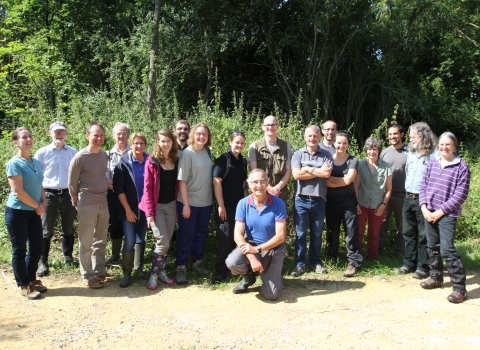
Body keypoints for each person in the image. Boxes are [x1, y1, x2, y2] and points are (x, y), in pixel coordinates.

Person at [419, 132, 470, 303]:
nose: (443, 147)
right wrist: (424, 208)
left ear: (454, 146)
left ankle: (460, 289)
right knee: (432, 246)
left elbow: (460, 196)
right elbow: (423, 186)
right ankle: (436, 278)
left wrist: (440, 212)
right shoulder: (433, 163)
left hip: (447, 214)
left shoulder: (461, 167)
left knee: (447, 250)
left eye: (447, 144)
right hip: (429, 212)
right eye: (441, 144)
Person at [225, 169, 287, 300]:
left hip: (273, 249)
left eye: (263, 181)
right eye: (255, 182)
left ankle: (272, 272)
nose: (259, 185)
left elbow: (281, 236)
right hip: (251, 245)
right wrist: (252, 257)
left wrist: (258, 249)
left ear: (268, 183)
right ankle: (249, 277)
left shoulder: (278, 203)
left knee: (272, 295)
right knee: (232, 262)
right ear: (249, 184)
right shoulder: (243, 203)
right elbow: (237, 234)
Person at [68, 122, 114, 289]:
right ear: (87, 136)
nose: (99, 138)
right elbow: (72, 183)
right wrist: (76, 201)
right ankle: (88, 275)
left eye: (101, 135)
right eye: (96, 135)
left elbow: (102, 176)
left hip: (103, 202)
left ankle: (99, 270)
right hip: (87, 203)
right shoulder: (80, 157)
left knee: (100, 239)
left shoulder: (103, 155)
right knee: (86, 241)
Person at [5, 127, 47, 299]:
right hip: (17, 212)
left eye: (30, 136)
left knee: (37, 247)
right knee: (20, 250)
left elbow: (40, 185)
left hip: (34, 212)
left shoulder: (35, 162)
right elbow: (18, 192)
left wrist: (43, 203)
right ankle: (23, 284)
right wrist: (38, 205)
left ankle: (31, 279)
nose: (28, 139)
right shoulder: (14, 163)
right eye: (24, 137)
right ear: (16, 142)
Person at [34, 121, 78, 277]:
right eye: (56, 132)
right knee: (46, 231)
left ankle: (68, 257)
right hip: (48, 195)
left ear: (66, 133)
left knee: (68, 228)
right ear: (50, 133)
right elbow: (35, 177)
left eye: (62, 132)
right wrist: (38, 198)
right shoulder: (42, 153)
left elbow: (78, 175)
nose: (59, 135)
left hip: (68, 195)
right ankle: (42, 262)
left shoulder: (73, 152)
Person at [139, 129, 179, 290]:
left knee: (166, 242)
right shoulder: (152, 161)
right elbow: (147, 188)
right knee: (162, 241)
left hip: (171, 205)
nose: (166, 144)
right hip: (156, 206)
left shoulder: (176, 159)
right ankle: (154, 275)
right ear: (158, 142)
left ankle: (162, 272)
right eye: (162, 141)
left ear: (173, 142)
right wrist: (149, 213)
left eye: (169, 140)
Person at [396, 122, 437, 279]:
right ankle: (408, 264)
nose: (410, 137)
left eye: (413, 135)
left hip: (424, 200)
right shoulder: (411, 152)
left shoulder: (434, 154)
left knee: (423, 235)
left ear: (423, 135)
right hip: (408, 197)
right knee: (408, 233)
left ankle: (423, 266)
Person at [290, 125, 332, 277]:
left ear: (319, 137)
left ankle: (315, 262)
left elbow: (327, 173)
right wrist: (317, 171)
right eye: (310, 136)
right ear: (305, 137)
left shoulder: (326, 154)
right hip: (301, 199)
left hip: (319, 200)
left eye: (315, 136)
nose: (312, 138)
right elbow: (296, 175)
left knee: (317, 234)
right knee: (300, 234)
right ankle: (300, 264)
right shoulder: (297, 154)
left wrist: (307, 168)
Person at [175, 123, 214, 284]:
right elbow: (182, 180)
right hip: (188, 203)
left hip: (206, 203)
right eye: (198, 134)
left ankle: (197, 262)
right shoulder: (187, 153)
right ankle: (180, 267)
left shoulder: (207, 151)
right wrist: (185, 204)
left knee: (200, 234)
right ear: (193, 135)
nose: (201, 137)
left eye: (204, 134)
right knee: (186, 235)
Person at [113, 133, 149, 288]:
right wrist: (128, 210)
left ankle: (138, 267)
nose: (139, 146)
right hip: (129, 209)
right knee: (129, 241)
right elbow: (119, 189)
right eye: (136, 143)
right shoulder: (123, 163)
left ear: (145, 145)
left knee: (140, 239)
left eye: (141, 143)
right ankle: (126, 273)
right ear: (131, 144)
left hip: (145, 210)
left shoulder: (150, 161)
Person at [325, 131, 363, 277]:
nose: (341, 145)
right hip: (331, 200)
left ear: (348, 144)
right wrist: (340, 181)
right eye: (339, 143)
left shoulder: (353, 160)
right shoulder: (327, 158)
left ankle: (353, 261)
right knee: (331, 230)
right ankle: (331, 256)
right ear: (334, 143)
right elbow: (325, 181)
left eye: (344, 143)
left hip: (348, 200)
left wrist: (331, 180)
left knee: (351, 231)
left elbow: (349, 181)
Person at [212, 131, 248, 283]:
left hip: (239, 207)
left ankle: (235, 268)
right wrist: (221, 205)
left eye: (242, 143)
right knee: (225, 238)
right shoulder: (224, 159)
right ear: (230, 142)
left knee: (238, 238)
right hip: (225, 206)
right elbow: (216, 181)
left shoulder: (243, 161)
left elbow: (243, 184)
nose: (239, 145)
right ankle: (220, 271)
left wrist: (247, 203)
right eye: (237, 142)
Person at [354, 137, 392, 260]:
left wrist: (383, 205)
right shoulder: (360, 164)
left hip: (378, 205)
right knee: (358, 232)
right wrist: (356, 204)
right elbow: (356, 185)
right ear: (366, 150)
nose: (372, 152)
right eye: (370, 149)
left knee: (374, 234)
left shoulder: (386, 166)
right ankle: (357, 256)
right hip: (362, 204)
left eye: (375, 149)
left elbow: (389, 189)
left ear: (379, 150)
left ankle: (372, 257)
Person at [378, 124, 408, 256]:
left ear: (402, 134)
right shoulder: (384, 152)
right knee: (381, 224)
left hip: (403, 194)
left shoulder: (409, 152)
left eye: (395, 134)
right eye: (390, 134)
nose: (392, 137)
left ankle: (400, 253)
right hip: (385, 195)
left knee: (402, 225)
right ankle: (377, 251)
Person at [248, 115, 292, 204]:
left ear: (277, 126)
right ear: (263, 127)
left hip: (280, 194)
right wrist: (268, 189)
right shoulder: (254, 146)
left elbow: (288, 171)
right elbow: (254, 172)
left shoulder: (286, 146)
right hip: (260, 194)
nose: (270, 127)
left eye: (273, 125)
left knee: (280, 218)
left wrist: (276, 189)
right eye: (267, 125)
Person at [105, 122, 131, 267]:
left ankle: (130, 256)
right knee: (115, 224)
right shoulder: (107, 155)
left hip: (131, 196)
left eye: (124, 133)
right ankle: (115, 256)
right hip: (113, 195)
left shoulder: (134, 151)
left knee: (131, 223)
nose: (121, 136)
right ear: (114, 135)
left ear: (128, 135)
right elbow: (105, 175)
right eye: (118, 133)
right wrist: (109, 183)